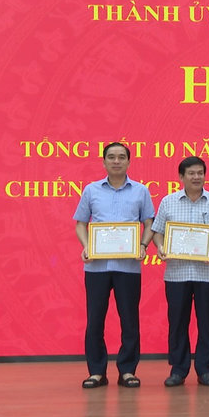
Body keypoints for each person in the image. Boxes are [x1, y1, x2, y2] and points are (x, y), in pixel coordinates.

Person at [73, 142, 155, 389]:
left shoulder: (140, 191)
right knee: (95, 320)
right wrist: (87, 246)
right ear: (104, 162)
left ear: (129, 161)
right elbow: (80, 223)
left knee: (129, 320)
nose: (116, 161)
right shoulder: (91, 190)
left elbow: (149, 224)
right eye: (111, 157)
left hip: (128, 267)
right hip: (96, 267)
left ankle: (127, 370)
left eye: (121, 157)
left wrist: (143, 245)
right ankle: (96, 372)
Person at [151, 157, 209, 387]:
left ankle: (205, 370)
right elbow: (157, 232)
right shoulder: (168, 202)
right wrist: (160, 247)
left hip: (207, 274)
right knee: (177, 322)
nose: (196, 177)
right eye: (191, 173)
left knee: (207, 323)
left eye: (200, 173)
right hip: (176, 274)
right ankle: (178, 370)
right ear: (181, 177)